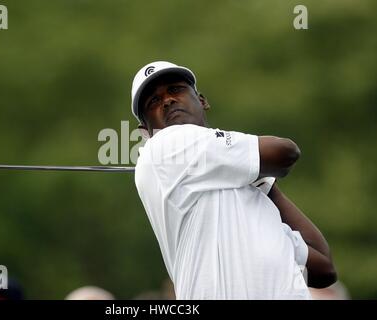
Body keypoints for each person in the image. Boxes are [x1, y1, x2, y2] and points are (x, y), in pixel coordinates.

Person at [131, 61, 337, 299]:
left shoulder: (253, 198)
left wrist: (263, 184)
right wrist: (256, 168)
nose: (167, 100)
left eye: (175, 89)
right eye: (154, 101)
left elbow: (324, 268)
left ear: (202, 100)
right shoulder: (164, 143)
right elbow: (285, 152)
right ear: (145, 132)